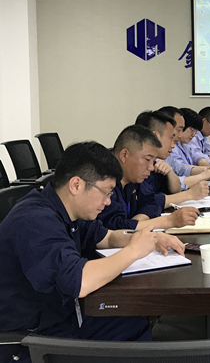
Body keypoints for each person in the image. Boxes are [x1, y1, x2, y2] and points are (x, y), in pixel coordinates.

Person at [0, 142, 185, 363]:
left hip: (61, 317)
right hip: (28, 340)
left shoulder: (67, 209)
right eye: (106, 192)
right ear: (76, 185)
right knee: (133, 341)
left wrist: (150, 238)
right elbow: (80, 282)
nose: (108, 201)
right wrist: (133, 251)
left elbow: (107, 237)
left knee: (134, 326)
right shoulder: (35, 220)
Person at [97, 125, 199, 231]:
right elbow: (115, 228)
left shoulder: (133, 177)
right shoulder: (103, 180)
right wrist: (169, 221)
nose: (151, 167)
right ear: (124, 155)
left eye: (153, 161)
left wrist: (138, 221)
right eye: (147, 159)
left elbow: (152, 201)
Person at [134, 111, 210, 208]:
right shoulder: (138, 167)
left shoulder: (156, 163)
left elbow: (174, 189)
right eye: (171, 137)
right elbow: (149, 203)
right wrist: (190, 194)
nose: (173, 145)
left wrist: (170, 172)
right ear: (156, 137)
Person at [157, 106, 210, 189]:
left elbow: (182, 169)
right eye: (179, 129)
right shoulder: (157, 158)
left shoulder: (184, 146)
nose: (179, 135)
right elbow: (172, 185)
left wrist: (209, 169)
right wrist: (203, 175)